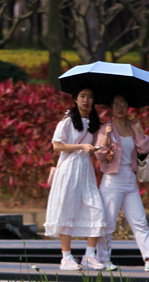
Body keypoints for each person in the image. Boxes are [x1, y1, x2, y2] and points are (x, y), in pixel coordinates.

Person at [95, 95, 149, 271]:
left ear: (128, 107)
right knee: (108, 222)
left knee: (140, 221)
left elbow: (144, 149)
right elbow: (99, 154)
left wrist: (138, 131)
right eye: (116, 105)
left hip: (130, 178)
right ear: (110, 108)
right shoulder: (106, 129)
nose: (120, 108)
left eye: (124, 104)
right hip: (112, 180)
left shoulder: (131, 126)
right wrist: (106, 136)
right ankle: (103, 259)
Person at [45, 88, 106, 270]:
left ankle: (89, 255)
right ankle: (66, 257)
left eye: (90, 97)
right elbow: (57, 146)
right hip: (69, 169)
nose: (86, 100)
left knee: (96, 208)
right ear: (75, 99)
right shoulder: (67, 121)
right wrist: (81, 146)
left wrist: (101, 146)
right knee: (67, 208)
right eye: (82, 97)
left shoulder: (93, 123)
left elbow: (93, 148)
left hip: (85, 170)